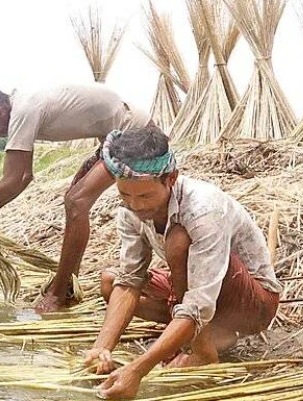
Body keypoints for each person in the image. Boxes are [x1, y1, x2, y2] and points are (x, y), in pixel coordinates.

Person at [83, 125, 282, 400]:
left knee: (177, 242)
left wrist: (139, 370)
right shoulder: (130, 210)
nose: (136, 205)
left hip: (252, 305)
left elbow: (198, 303)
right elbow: (130, 280)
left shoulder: (203, 210)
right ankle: (211, 334)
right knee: (111, 282)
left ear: (171, 179)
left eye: (144, 196)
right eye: (125, 195)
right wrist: (101, 348)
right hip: (202, 297)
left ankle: (202, 352)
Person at [0, 83, 152, 312]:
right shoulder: (22, 105)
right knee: (74, 196)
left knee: (76, 202)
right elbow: (24, 177)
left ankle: (60, 294)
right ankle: (67, 284)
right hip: (115, 137)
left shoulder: (23, 110)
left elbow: (13, 178)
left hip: (135, 134)